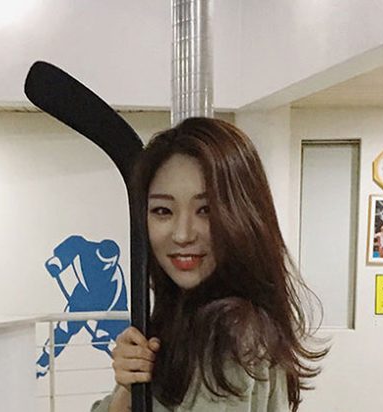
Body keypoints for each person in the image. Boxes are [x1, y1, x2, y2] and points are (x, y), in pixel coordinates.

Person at [91, 117, 327, 412]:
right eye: (163, 211)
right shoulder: (181, 318)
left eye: (206, 210)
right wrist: (128, 388)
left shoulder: (231, 332)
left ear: (243, 215)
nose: (183, 234)